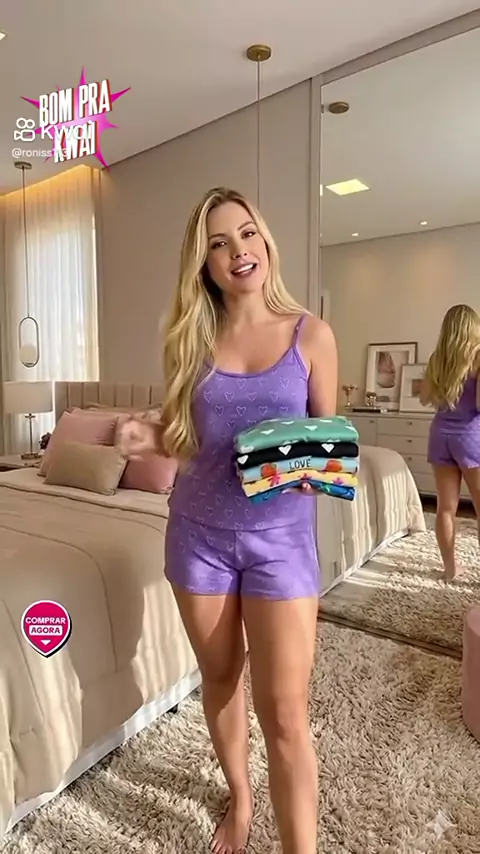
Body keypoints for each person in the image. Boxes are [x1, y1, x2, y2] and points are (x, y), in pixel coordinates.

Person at [119, 186, 338, 854]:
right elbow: (187, 439)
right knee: (219, 680)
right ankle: (240, 799)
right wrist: (148, 435)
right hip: (198, 539)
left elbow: (329, 450)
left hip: (281, 545)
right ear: (206, 265)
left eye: (246, 233)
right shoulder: (189, 340)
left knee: (286, 715)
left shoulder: (311, 335)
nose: (238, 250)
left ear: (264, 241)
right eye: (219, 243)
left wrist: (271, 453)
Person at [421, 303, 480, 580]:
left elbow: (426, 398)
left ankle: (450, 569)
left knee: (445, 507)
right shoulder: (478, 357)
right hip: (470, 437)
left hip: (440, 436)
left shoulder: (437, 359)